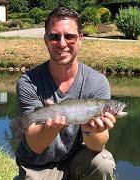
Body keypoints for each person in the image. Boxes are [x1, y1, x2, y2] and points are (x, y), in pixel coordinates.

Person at [14, 7, 117, 180]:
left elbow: (98, 146)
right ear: (46, 40)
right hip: (38, 165)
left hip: (76, 159)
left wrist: (90, 131)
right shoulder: (28, 82)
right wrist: (51, 127)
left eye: (69, 36)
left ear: (80, 39)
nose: (62, 43)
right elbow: (35, 145)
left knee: (103, 163)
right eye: (55, 37)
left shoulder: (97, 82)